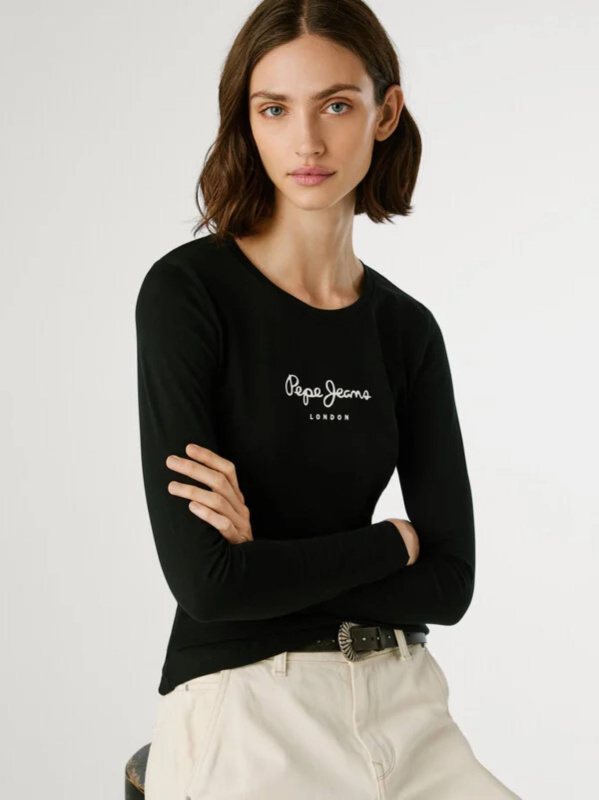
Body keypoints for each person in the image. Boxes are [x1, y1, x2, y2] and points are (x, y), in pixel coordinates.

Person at [135, 1, 522, 798]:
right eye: (274, 109)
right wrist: (390, 543)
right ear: (246, 121)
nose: (306, 142)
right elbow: (208, 585)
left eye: (336, 105)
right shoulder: (189, 294)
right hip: (249, 698)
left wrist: (265, 562)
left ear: (386, 113)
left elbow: (449, 585)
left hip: (405, 698)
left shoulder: (404, 330)